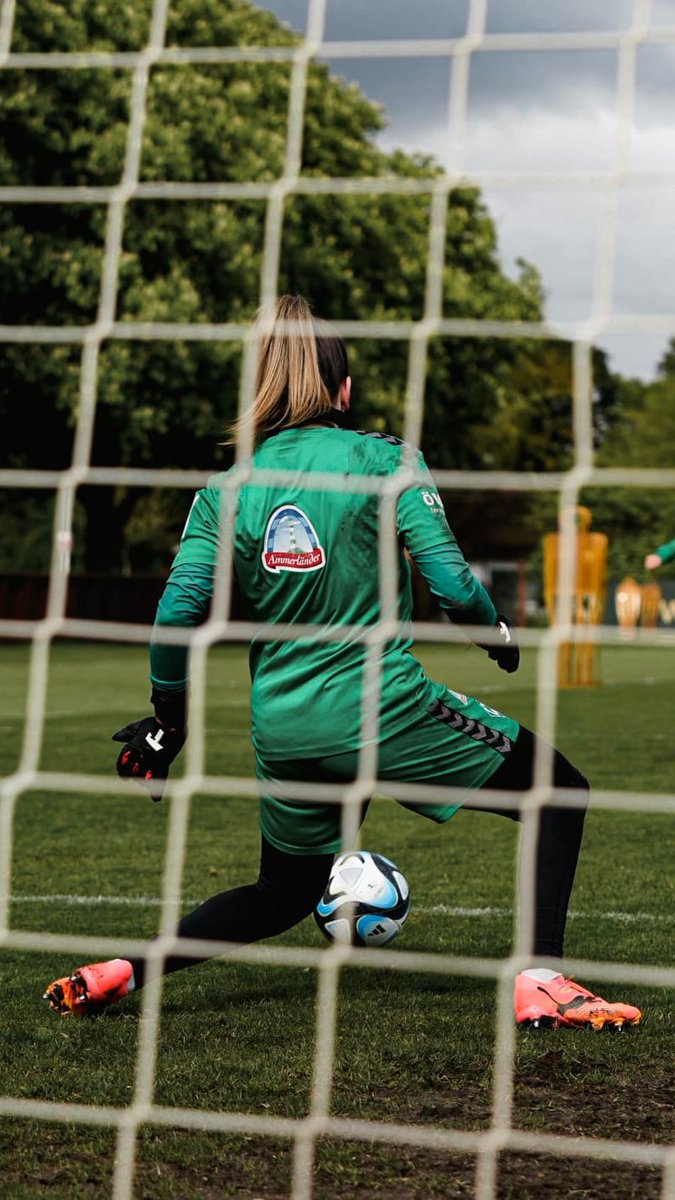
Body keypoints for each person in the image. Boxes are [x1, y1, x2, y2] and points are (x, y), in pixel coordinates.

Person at [44, 295, 641, 1031]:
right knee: (557, 793)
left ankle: (122, 970)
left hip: (286, 728)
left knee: (282, 893)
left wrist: (170, 725)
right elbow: (451, 583)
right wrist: (493, 633)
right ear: (343, 391)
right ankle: (541, 980)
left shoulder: (226, 490)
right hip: (381, 707)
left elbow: (174, 617)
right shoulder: (384, 459)